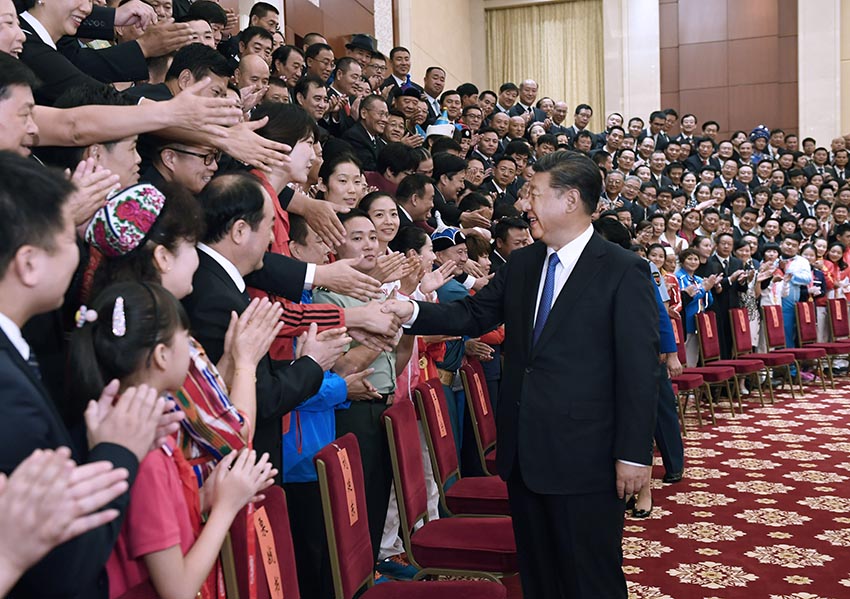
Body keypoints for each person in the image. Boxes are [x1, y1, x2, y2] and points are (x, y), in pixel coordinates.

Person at [382, 151, 659, 599]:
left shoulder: (623, 270)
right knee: (540, 577)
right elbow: (473, 314)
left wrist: (634, 453)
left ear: (570, 200)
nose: (526, 204)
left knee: (590, 577)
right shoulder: (526, 263)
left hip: (587, 457)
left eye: (534, 193)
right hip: (526, 453)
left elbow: (639, 370)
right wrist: (410, 311)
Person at [0, 151, 182, 598]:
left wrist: (95, 440)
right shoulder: (7, 395)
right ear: (27, 263)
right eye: (69, 238)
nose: (80, 253)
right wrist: (120, 454)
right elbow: (60, 569)